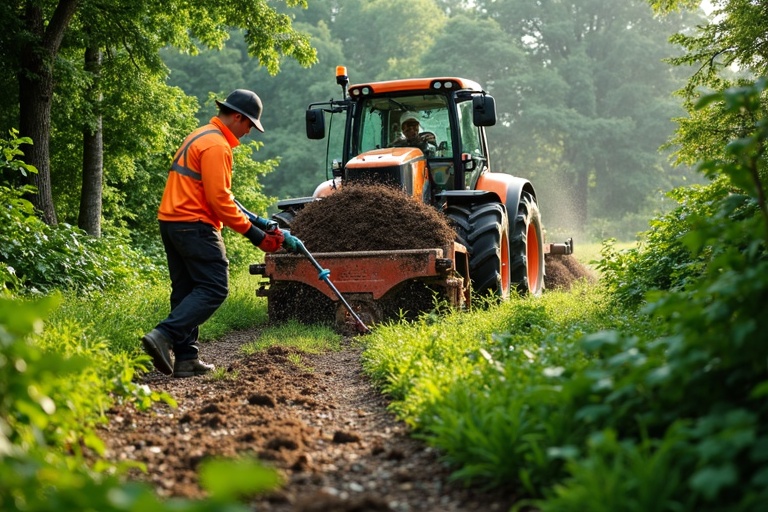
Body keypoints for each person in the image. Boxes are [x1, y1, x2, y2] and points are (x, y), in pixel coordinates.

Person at [141, 89, 285, 378]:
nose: (249, 132)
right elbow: (220, 201)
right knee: (214, 287)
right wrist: (256, 236)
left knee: (185, 291)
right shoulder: (217, 145)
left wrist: (257, 224)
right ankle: (163, 335)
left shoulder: (199, 136)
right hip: (195, 224)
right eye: (250, 125)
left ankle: (186, 359)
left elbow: (221, 196)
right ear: (237, 117)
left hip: (171, 223)